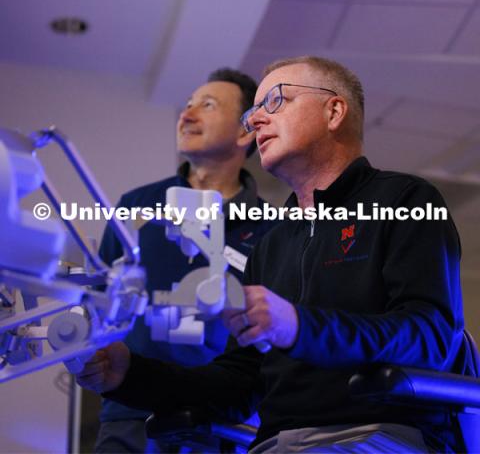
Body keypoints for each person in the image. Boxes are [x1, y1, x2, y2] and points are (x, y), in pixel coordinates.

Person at [78, 56, 471, 453]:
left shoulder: (405, 200)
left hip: (379, 433)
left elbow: (430, 337)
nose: (258, 121)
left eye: (277, 101)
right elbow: (238, 382)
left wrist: (298, 326)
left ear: (334, 111)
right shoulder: (272, 242)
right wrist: (129, 374)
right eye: (253, 113)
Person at [94, 68, 274, 453]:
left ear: (246, 132)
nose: (187, 114)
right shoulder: (136, 206)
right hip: (130, 416)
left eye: (207, 106)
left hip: (225, 424)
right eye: (187, 105)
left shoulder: (272, 228)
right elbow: (97, 297)